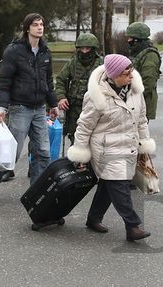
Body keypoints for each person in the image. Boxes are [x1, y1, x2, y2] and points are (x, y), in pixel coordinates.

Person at [67, 54, 155, 242]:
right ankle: (133, 226)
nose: (131, 75)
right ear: (114, 75)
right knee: (119, 183)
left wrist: (144, 145)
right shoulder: (96, 96)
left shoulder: (135, 91)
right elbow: (84, 126)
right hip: (106, 149)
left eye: (131, 70)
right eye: (126, 73)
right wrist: (80, 154)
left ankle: (93, 218)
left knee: (108, 184)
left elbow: (141, 120)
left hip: (128, 147)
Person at [0, 13, 59, 201]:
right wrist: (3, 107)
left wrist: (54, 104)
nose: (40, 28)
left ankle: (36, 194)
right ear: (28, 28)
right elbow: (5, 81)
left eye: (42, 24)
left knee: (43, 152)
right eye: (35, 25)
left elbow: (48, 81)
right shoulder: (14, 51)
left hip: (39, 109)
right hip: (19, 108)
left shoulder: (45, 51)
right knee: (11, 154)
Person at [55, 33, 104, 146]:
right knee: (76, 140)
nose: (84, 51)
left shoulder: (101, 64)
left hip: (95, 108)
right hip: (75, 109)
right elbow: (61, 80)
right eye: (82, 48)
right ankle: (77, 163)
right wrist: (61, 97)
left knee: (95, 140)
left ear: (93, 49)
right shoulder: (73, 64)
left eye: (87, 48)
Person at [126, 22, 161, 120]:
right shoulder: (139, 52)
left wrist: (133, 98)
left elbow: (148, 82)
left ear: (138, 39)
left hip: (141, 103)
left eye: (130, 38)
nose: (128, 41)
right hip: (134, 102)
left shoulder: (150, 55)